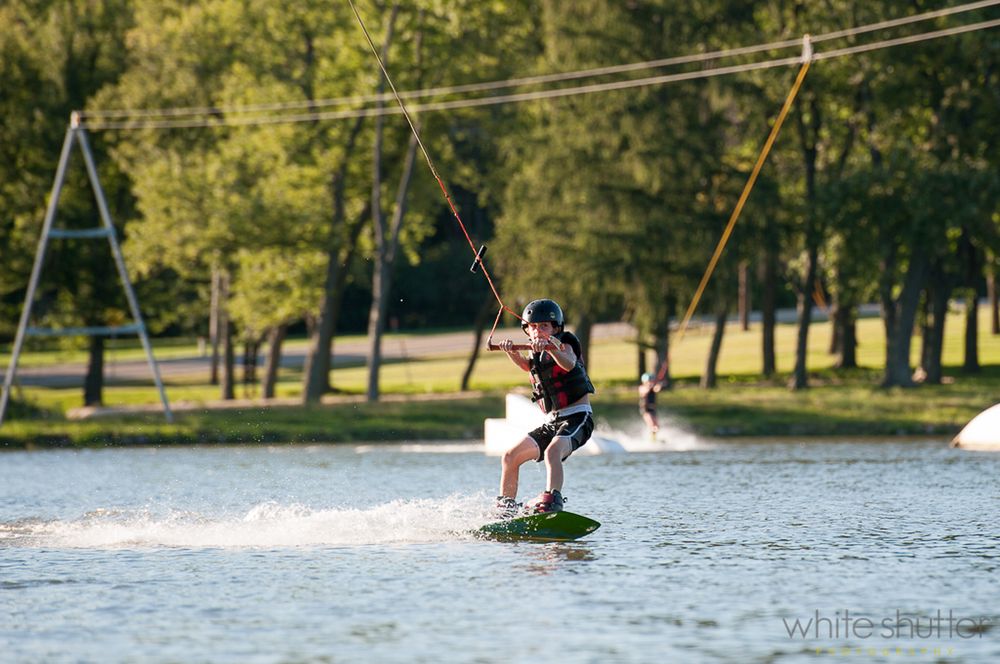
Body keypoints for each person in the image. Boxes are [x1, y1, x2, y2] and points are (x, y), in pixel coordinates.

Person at [495, 299, 596, 517]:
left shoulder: (565, 345)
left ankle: (552, 500)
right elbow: (527, 367)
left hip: (578, 418)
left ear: (555, 328)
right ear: (527, 329)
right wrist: (511, 352)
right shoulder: (535, 352)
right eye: (533, 327)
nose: (538, 331)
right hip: (553, 422)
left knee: (553, 452)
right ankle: (506, 509)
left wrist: (551, 347)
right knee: (510, 456)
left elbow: (568, 364)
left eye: (544, 327)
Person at [638, 372, 662, 438]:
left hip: (652, 409)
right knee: (652, 425)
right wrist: (649, 387)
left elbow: (657, 389)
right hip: (645, 409)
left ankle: (654, 437)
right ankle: (652, 438)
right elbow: (644, 392)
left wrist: (658, 385)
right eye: (650, 381)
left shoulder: (653, 388)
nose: (651, 382)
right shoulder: (642, 388)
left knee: (657, 426)